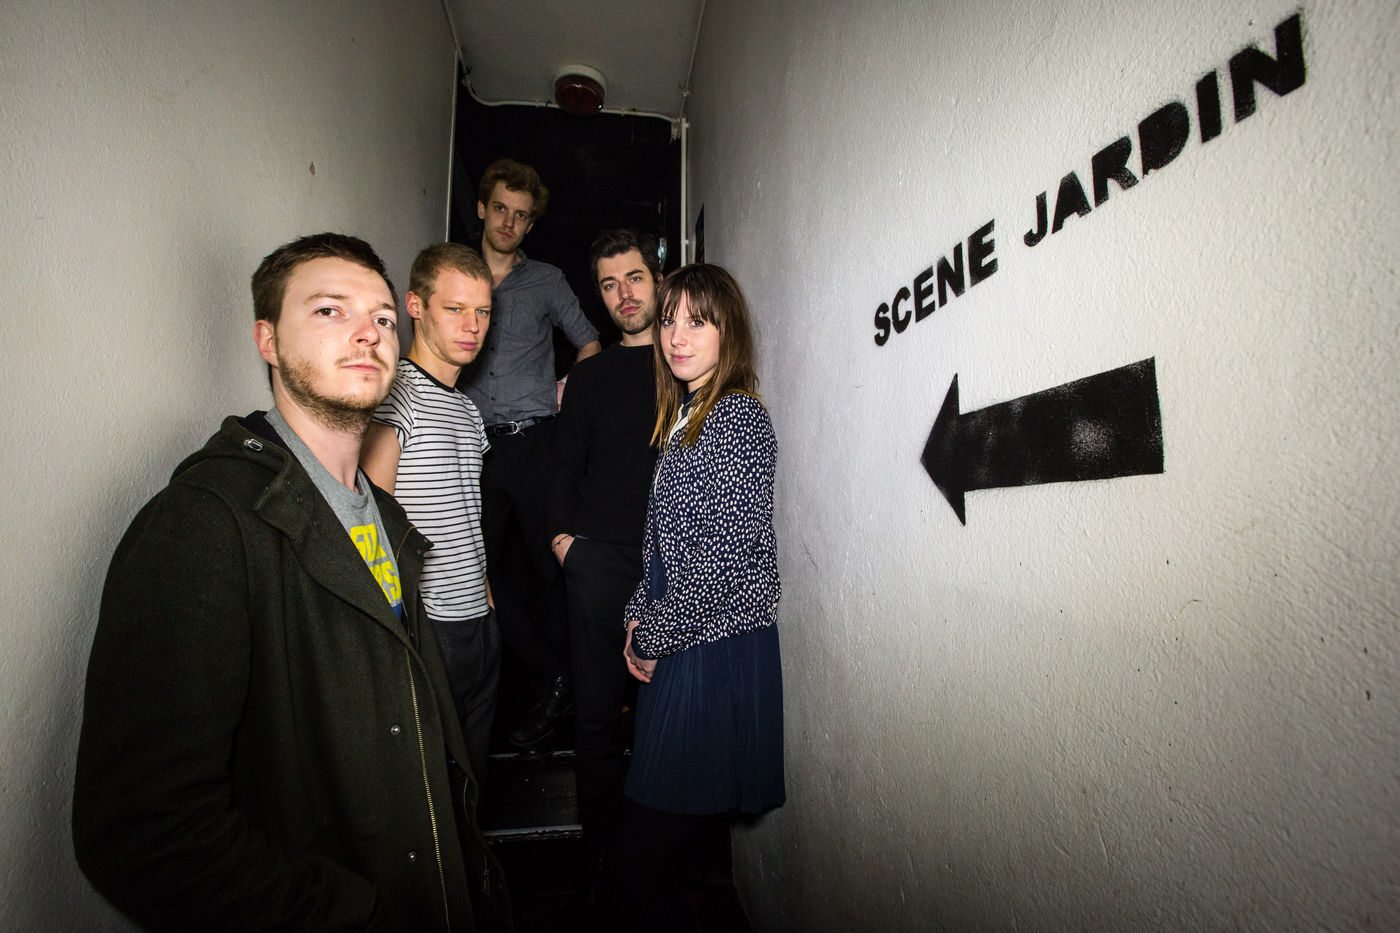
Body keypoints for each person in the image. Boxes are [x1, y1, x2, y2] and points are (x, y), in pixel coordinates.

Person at [72, 233, 507, 932]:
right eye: (331, 310)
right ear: (268, 340)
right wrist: (352, 912)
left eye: (381, 317)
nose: (368, 331)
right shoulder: (205, 523)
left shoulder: (386, 515)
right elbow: (143, 833)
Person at [619, 264, 786, 930]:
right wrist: (637, 614)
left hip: (713, 648)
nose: (676, 336)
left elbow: (722, 563)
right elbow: (666, 544)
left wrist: (652, 633)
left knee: (645, 853)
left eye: (697, 321)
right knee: (671, 851)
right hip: (681, 633)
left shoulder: (737, 416)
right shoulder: (689, 414)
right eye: (668, 320)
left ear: (729, 331)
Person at [460, 158, 600, 748]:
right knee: (476, 569)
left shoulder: (546, 280)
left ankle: (564, 682)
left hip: (535, 443)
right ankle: (532, 676)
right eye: (500, 209)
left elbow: (589, 342)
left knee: (550, 568)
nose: (508, 222)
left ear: (529, 224)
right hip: (471, 447)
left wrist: (569, 393)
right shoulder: (456, 276)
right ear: (482, 209)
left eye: (520, 215)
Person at [360, 242, 498, 785]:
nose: (472, 326)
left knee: (471, 788)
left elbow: (466, 514)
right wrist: (400, 625)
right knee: (431, 788)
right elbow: (370, 515)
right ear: (415, 306)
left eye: (482, 311)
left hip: (478, 624)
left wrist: (487, 600)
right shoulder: (398, 394)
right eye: (455, 308)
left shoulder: (467, 409)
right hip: (428, 628)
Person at [548, 229, 661, 876]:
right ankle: (602, 863)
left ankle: (653, 853)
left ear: (658, 280)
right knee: (596, 715)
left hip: (671, 564)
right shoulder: (589, 375)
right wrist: (565, 544)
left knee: (665, 710)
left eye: (634, 277)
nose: (624, 294)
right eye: (610, 284)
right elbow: (563, 466)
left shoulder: (686, 362)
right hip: (599, 562)